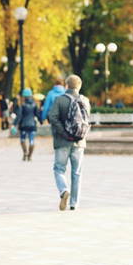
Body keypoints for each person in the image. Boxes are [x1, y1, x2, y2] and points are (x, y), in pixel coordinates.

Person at [49, 74, 91, 211]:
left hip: (62, 142)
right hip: (79, 142)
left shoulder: (59, 100)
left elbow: (53, 117)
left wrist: (64, 133)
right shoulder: (85, 101)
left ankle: (63, 190)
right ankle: (74, 203)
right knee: (77, 172)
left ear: (66, 85)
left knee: (59, 169)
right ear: (80, 86)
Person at [12, 88, 42, 161]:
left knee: (22, 140)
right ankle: (30, 156)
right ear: (31, 96)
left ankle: (25, 152)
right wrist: (41, 121)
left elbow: (19, 116)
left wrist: (14, 124)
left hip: (23, 126)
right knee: (31, 140)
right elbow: (37, 115)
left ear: (24, 97)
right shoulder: (35, 105)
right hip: (32, 125)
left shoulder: (22, 105)